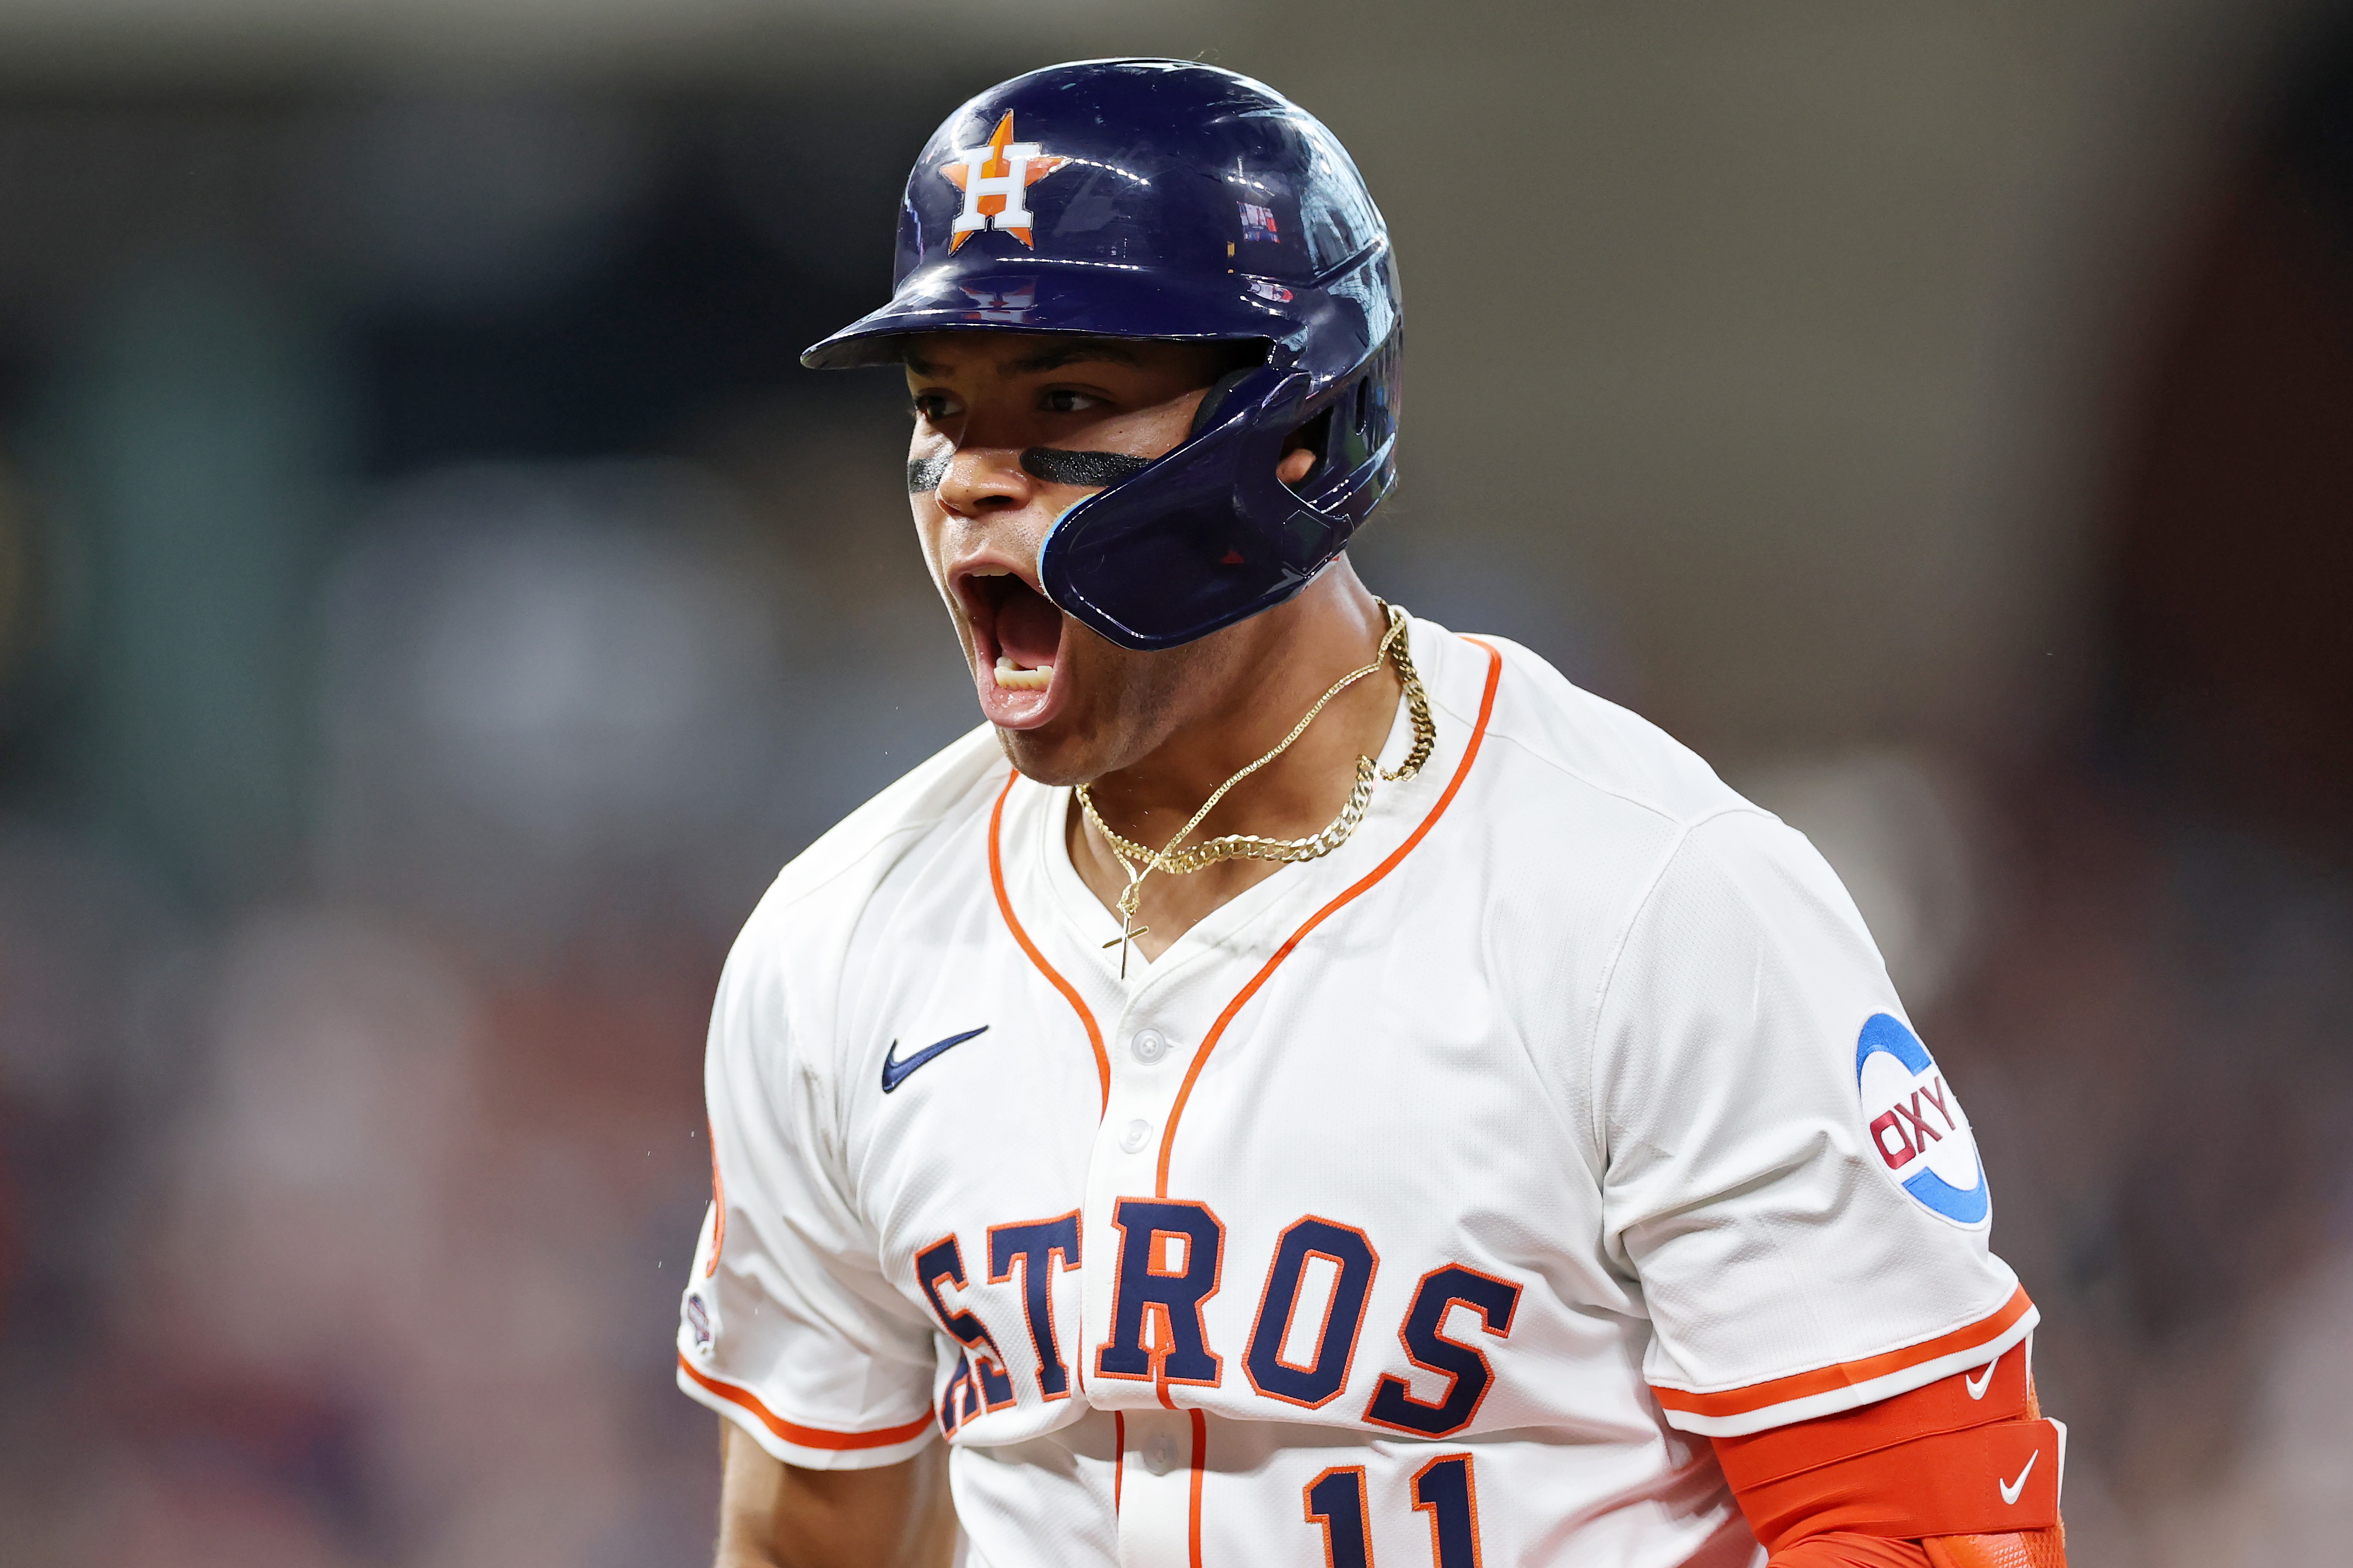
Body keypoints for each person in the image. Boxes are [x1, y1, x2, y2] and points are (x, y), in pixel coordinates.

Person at [675, 58, 2066, 1568]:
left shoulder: (1651, 897)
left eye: (1064, 401)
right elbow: (805, 1541)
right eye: (943, 409)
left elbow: (1930, 1535)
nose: (968, 484)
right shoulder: (838, 942)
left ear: (1299, 427)